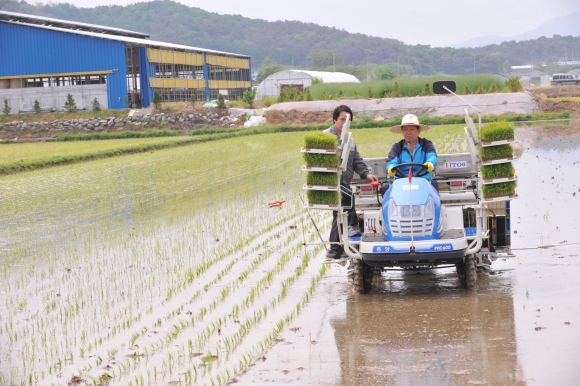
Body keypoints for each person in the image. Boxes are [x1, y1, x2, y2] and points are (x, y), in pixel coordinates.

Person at [325, 105, 378, 260]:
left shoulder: (350, 141)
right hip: (330, 182)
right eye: (342, 119)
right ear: (334, 119)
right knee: (345, 202)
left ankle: (335, 248)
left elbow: (357, 161)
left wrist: (367, 174)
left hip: (343, 183)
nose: (344, 122)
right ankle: (351, 228)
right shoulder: (325, 137)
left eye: (348, 120)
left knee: (339, 213)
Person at [386, 113, 438, 191]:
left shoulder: (426, 144)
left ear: (418, 131)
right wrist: (391, 167)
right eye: (405, 129)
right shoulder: (397, 147)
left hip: (423, 181)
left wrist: (430, 163)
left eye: (411, 129)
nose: (408, 132)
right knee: (385, 189)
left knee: (434, 187)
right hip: (402, 183)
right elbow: (392, 161)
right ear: (402, 131)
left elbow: (432, 156)